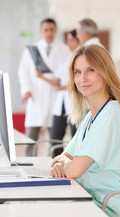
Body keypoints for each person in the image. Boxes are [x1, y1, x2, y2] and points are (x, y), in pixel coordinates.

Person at [50, 44, 120, 217]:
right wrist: (65, 163)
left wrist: (67, 165)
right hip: (96, 200)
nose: (82, 78)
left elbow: (74, 170)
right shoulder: (91, 116)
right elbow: (63, 157)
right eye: (77, 72)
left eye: (90, 70)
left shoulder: (110, 115)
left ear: (105, 72)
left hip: (119, 210)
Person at [18, 18, 70, 156]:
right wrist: (27, 90)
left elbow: (64, 74)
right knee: (31, 138)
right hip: (36, 98)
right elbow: (23, 71)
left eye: (52, 29)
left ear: (56, 30)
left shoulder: (64, 50)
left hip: (55, 99)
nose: (49, 33)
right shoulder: (32, 49)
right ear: (41, 31)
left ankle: (53, 167)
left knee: (55, 139)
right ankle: (30, 167)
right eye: (46, 30)